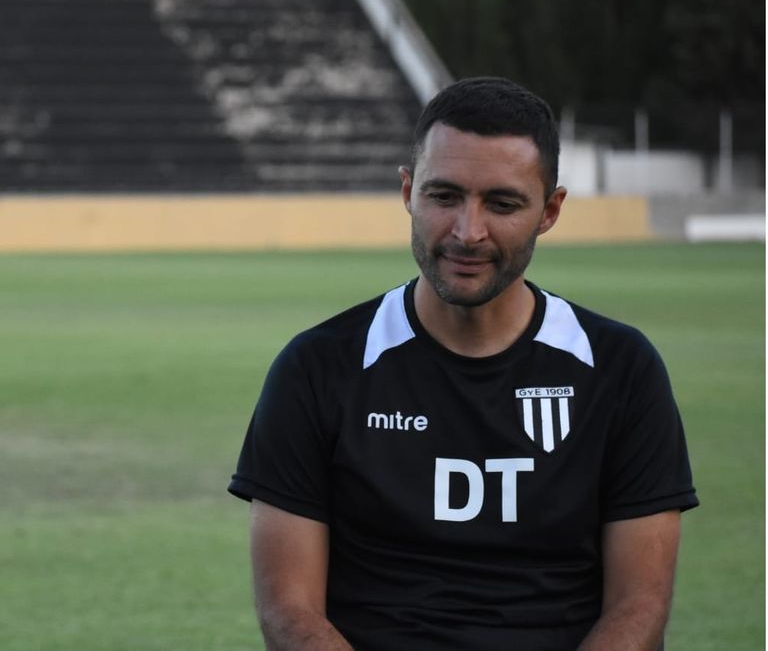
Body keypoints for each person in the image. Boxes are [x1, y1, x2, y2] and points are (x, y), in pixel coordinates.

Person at [228, 77, 698, 650]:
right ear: (408, 193)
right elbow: (290, 613)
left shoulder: (621, 370)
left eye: (502, 204)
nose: (467, 232)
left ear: (549, 211)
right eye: (444, 196)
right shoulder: (317, 368)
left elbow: (640, 608)